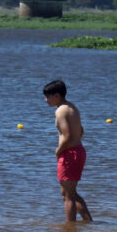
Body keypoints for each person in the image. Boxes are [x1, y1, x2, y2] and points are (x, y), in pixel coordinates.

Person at [43, 80, 92, 222]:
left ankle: (70, 230)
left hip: (70, 154)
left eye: (48, 97)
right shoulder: (72, 107)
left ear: (57, 96)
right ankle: (88, 223)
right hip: (78, 151)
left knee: (68, 196)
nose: (46, 100)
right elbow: (80, 131)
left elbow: (68, 136)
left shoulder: (60, 111)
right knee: (68, 193)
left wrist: (58, 151)